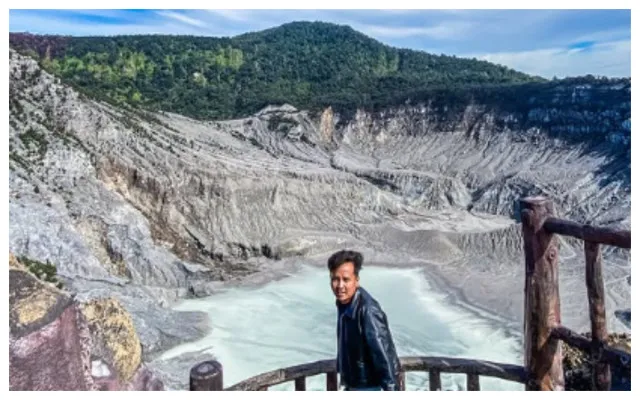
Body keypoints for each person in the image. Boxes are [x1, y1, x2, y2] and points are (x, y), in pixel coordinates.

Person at [328, 249, 401, 391]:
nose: (340, 285)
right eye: (335, 279)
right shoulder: (344, 304)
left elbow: (383, 355)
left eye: (346, 279)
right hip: (354, 385)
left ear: (356, 281)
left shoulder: (368, 310)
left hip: (369, 387)